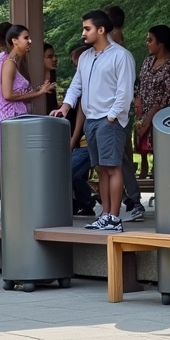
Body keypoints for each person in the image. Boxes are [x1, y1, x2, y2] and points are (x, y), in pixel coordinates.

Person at [51, 10, 135, 232]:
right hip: (91, 120)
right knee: (101, 168)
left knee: (113, 167)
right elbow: (76, 85)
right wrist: (65, 106)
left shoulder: (121, 55)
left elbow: (125, 92)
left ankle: (114, 218)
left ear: (101, 30)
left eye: (87, 29)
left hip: (110, 121)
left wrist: (111, 116)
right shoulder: (86, 57)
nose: (83, 33)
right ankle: (105, 215)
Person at [103, 5, 144, 221]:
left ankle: (132, 200)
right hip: (118, 108)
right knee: (119, 156)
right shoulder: (118, 39)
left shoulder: (114, 41)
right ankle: (126, 200)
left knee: (120, 157)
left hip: (116, 109)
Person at [0, 25, 55, 159]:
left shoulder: (14, 62)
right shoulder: (9, 63)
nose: (30, 41)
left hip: (17, 118)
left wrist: (40, 89)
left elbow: (18, 93)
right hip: (10, 119)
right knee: (14, 161)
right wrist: (39, 93)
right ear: (15, 41)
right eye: (26, 38)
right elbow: (7, 95)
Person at [135, 25, 170, 175]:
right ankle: (143, 166)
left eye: (150, 40)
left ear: (161, 42)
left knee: (160, 150)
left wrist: (151, 116)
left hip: (161, 115)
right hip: (143, 110)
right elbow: (140, 84)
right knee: (142, 144)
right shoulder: (147, 62)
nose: (147, 43)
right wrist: (138, 105)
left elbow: (167, 95)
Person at [67, 44, 96, 216]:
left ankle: (88, 201)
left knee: (67, 171)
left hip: (85, 139)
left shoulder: (90, 80)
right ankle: (86, 201)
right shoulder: (80, 81)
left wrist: (74, 138)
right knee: (75, 174)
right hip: (81, 139)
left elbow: (81, 113)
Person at [44, 43, 60, 113]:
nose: (55, 59)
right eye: (50, 56)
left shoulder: (52, 73)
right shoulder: (33, 76)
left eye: (54, 56)